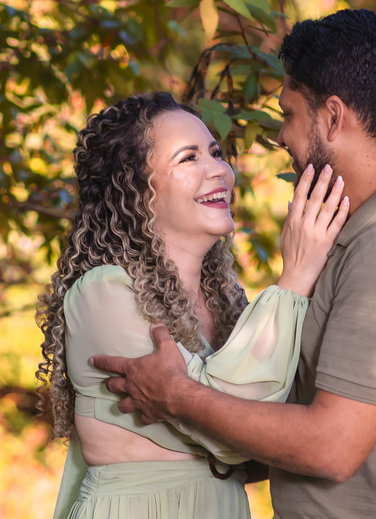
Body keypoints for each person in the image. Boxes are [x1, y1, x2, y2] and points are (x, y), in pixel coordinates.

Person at [93, 9, 376, 519]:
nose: (280, 137)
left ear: (333, 117)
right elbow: (291, 421)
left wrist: (177, 395)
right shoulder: (365, 230)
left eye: (288, 114)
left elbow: (329, 447)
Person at [37, 91, 350, 519]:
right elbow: (228, 423)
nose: (220, 170)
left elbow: (260, 420)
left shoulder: (224, 299)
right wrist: (294, 278)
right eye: (188, 158)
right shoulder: (103, 292)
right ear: (135, 189)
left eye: (216, 152)